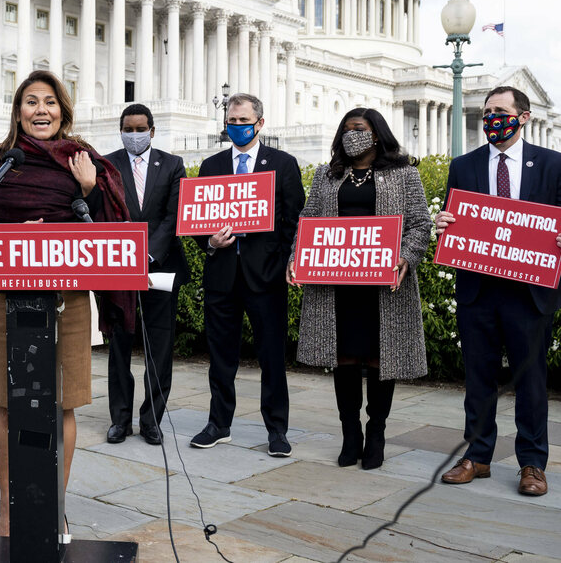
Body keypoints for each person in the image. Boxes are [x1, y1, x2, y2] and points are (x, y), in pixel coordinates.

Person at [0, 70, 130, 536]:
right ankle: (9, 511)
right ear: (18, 111)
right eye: (31, 102)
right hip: (3, 299)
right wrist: (19, 238)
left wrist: (93, 188)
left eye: (50, 102)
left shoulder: (83, 159)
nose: (41, 110)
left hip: (66, 301)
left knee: (63, 404)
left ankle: (54, 507)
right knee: (5, 405)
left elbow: (112, 231)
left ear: (64, 110)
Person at [286, 108, 431, 469]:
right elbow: (308, 221)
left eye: (360, 129)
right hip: (337, 285)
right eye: (347, 129)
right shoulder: (326, 176)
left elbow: (419, 225)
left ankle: (377, 433)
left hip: (383, 287)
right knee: (344, 358)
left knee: (382, 359)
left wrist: (407, 257)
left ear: (376, 134)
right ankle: (351, 433)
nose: (353, 135)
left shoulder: (403, 174)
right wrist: (296, 256)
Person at [436, 86, 561, 496]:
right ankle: (478, 455)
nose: (492, 118)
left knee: (530, 380)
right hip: (478, 290)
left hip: (529, 293)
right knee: (479, 378)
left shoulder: (552, 165)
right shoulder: (464, 165)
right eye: (488, 111)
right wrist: (445, 227)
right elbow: (457, 220)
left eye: (501, 111)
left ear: (523, 117)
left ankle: (532, 463)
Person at [190, 93, 304, 456]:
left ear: (260, 124)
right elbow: (195, 219)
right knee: (221, 355)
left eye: (243, 121)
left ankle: (277, 430)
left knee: (271, 356)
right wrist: (209, 241)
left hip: (266, 276)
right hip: (222, 275)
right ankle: (218, 423)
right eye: (231, 121)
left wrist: (288, 260)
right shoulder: (211, 165)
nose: (236, 127)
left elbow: (294, 220)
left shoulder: (282, 165)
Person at [103, 103, 189, 445]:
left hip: (161, 267)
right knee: (119, 347)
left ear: (152, 131)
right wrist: (127, 256)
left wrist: (148, 253)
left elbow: (173, 216)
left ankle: (151, 420)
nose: (134, 134)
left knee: (160, 346)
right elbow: (104, 211)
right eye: (128, 128)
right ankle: (119, 420)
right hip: (119, 269)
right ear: (121, 129)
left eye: (140, 129)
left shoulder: (172, 165)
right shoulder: (107, 164)